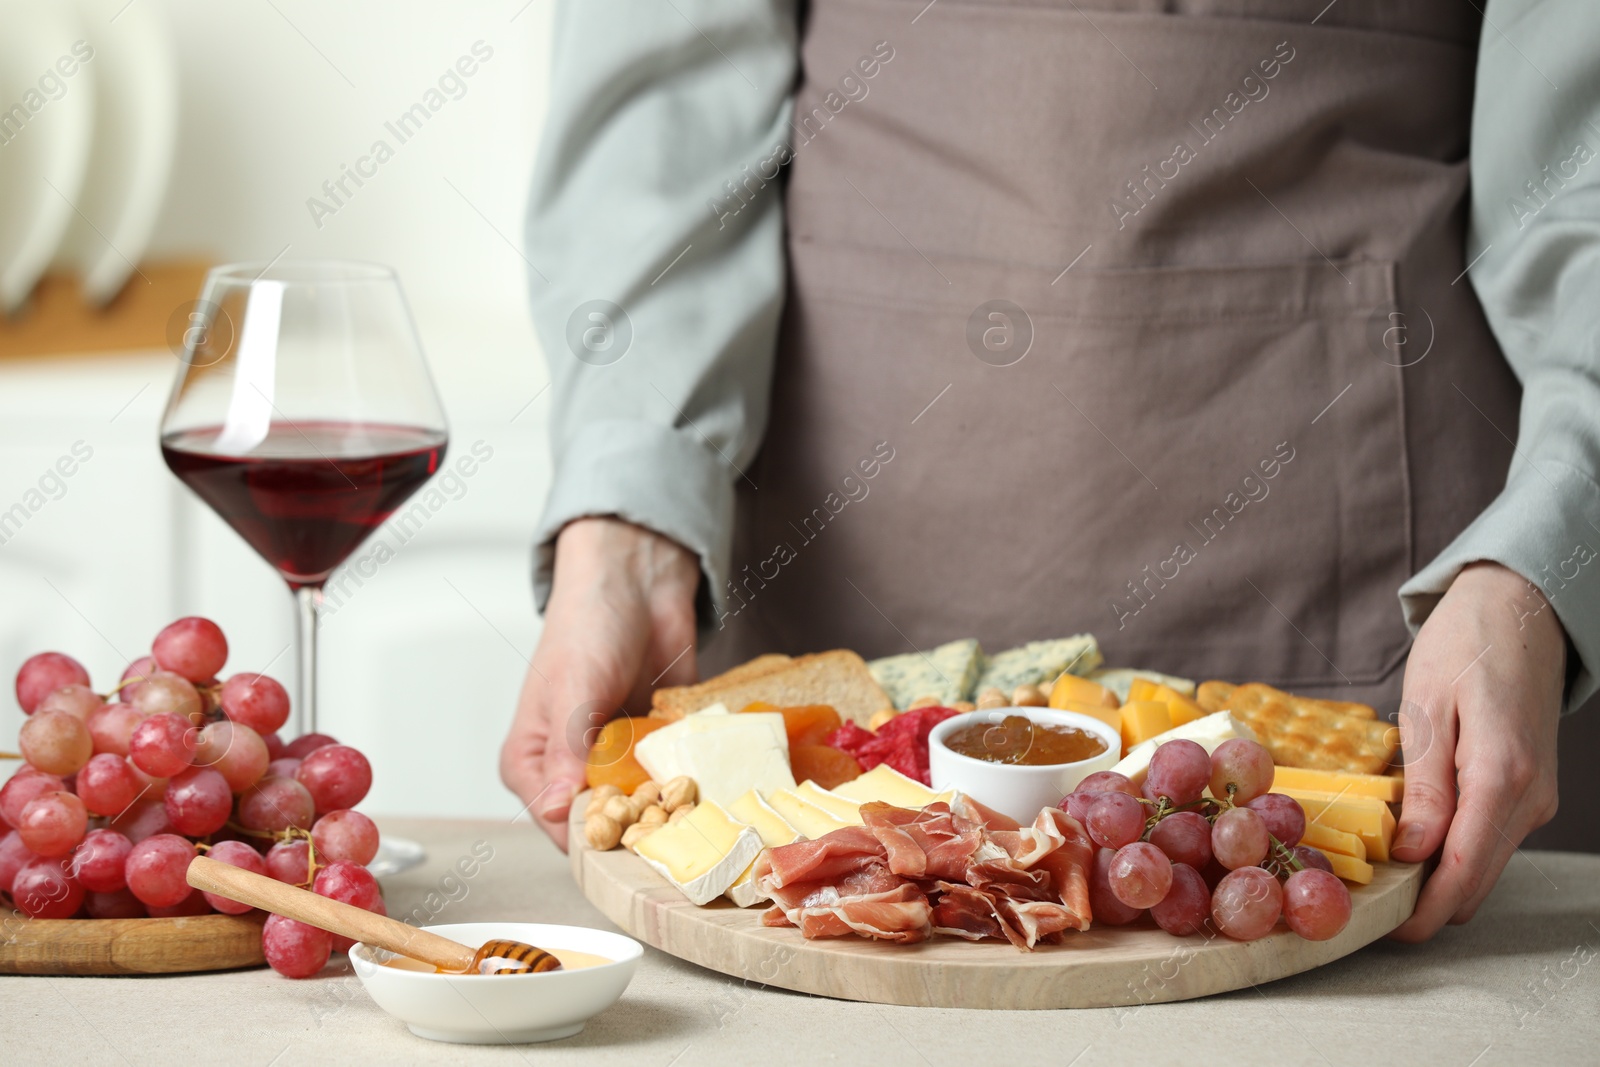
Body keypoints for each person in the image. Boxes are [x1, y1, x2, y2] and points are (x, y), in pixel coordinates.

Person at [501, 0, 1599, 942]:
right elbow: (663, 107)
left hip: (1395, 562)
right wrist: (627, 518)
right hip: (842, 512)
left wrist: (1553, 543)